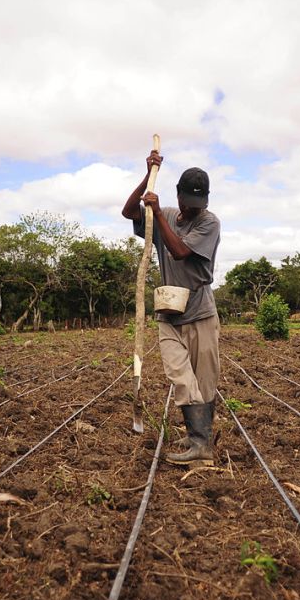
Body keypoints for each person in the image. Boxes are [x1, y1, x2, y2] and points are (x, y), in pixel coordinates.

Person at [122, 149, 221, 464]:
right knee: (180, 376)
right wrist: (147, 176)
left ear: (204, 202)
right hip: (169, 312)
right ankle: (199, 440)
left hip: (201, 312)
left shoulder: (210, 223)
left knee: (204, 380)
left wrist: (157, 215)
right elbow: (128, 212)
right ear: (177, 197)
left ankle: (201, 442)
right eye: (187, 205)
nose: (191, 211)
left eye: (197, 206)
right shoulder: (164, 213)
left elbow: (178, 251)